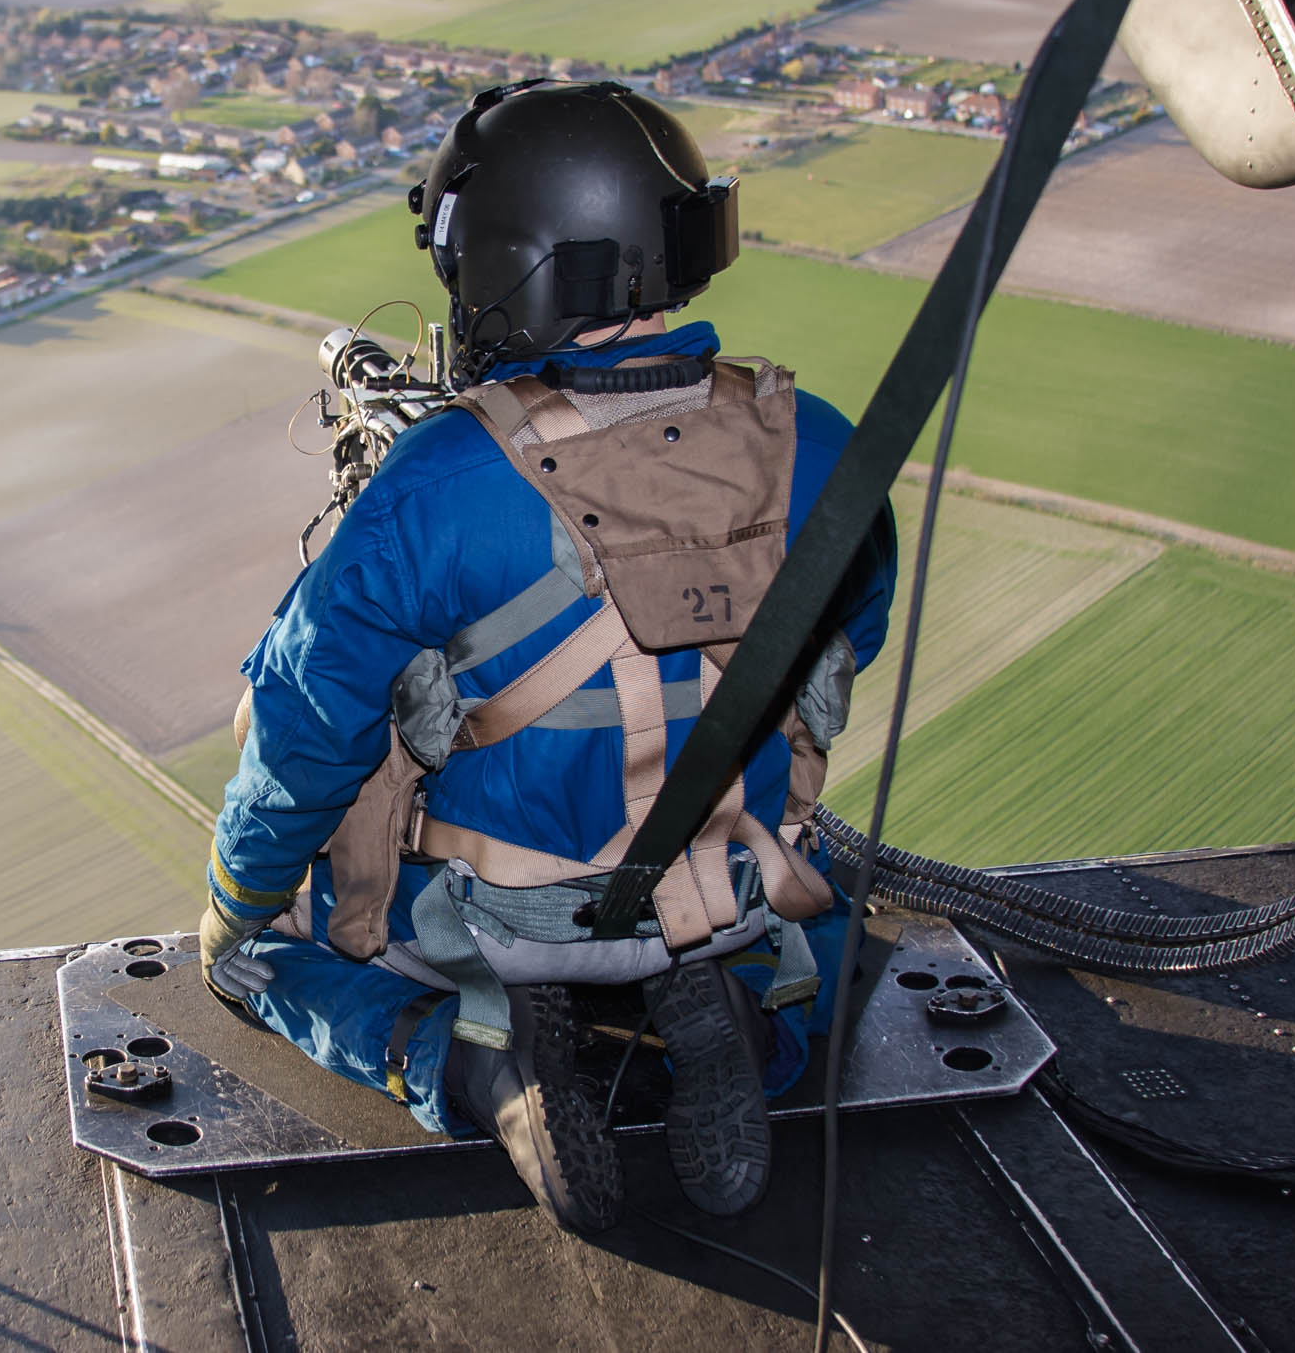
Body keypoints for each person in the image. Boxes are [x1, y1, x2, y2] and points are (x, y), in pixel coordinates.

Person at [199, 80, 896, 1231]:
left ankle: (469, 1067)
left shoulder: (437, 483)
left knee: (251, 957)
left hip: (496, 925)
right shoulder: (817, 444)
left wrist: (240, 896)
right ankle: (743, 1011)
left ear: (502, 261)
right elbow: (840, 663)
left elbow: (298, 732)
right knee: (824, 922)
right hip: (723, 892)